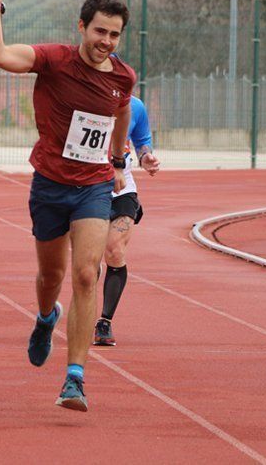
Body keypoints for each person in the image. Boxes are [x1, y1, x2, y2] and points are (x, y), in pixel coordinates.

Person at [0, 0, 134, 412]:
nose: (106, 41)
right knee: (51, 277)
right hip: (50, 185)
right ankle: (47, 317)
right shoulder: (53, 59)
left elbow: (122, 110)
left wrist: (119, 157)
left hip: (93, 186)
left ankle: (75, 378)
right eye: (100, 31)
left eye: (115, 35)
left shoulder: (123, 76)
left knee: (88, 273)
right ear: (82, 27)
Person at [94, 95, 160, 346]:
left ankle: (105, 321)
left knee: (114, 250)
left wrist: (147, 159)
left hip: (123, 189)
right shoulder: (83, 97)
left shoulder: (135, 106)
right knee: (88, 262)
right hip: (88, 189)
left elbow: (142, 143)